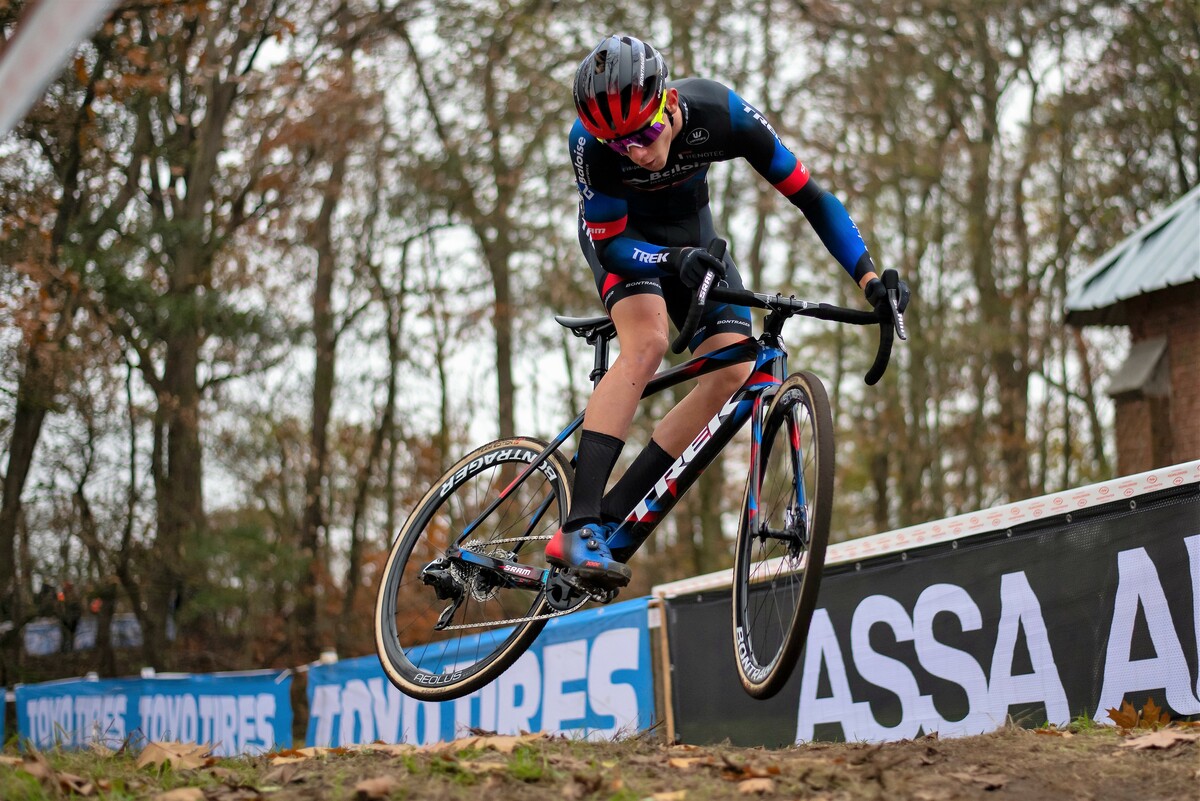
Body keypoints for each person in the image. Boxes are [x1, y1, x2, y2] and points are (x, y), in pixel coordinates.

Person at [546, 34, 908, 589]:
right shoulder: (591, 145)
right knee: (648, 343)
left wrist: (866, 276)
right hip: (628, 241)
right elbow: (612, 245)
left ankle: (616, 513)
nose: (637, 153)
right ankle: (578, 524)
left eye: (643, 135)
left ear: (667, 103)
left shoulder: (721, 113)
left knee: (734, 372)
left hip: (694, 236)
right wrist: (670, 259)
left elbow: (811, 197)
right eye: (622, 147)